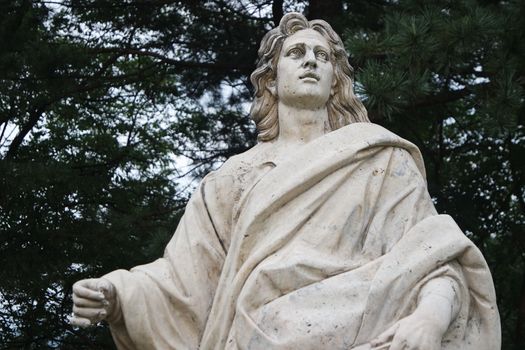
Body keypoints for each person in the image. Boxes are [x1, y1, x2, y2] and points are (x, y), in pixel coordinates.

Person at [71, 13, 500, 350]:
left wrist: (429, 317)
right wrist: (117, 294)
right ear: (272, 80)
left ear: (336, 82)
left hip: (370, 331)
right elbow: (184, 280)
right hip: (252, 337)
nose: (311, 60)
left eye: (322, 55)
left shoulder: (382, 162)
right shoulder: (229, 180)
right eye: (296, 53)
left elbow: (434, 256)